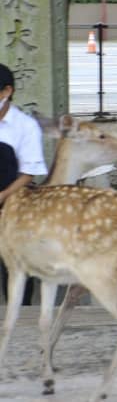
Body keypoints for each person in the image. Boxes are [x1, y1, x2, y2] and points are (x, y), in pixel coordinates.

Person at [0, 63, 48, 305]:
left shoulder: (24, 126)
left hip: (14, 204)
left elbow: (29, 172)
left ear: (6, 91)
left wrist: (3, 195)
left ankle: (20, 314)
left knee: (14, 267)